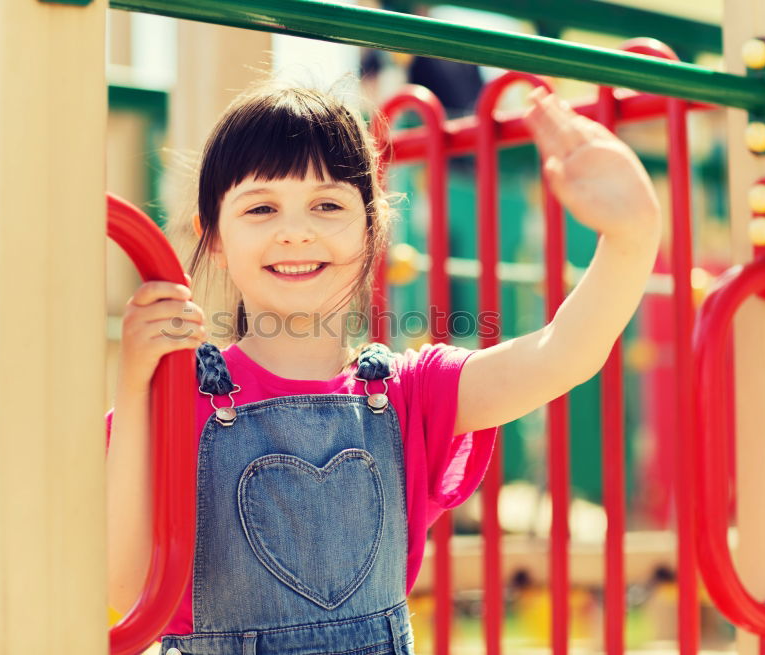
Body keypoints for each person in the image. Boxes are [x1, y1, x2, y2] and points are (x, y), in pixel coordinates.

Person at [105, 78, 662, 654]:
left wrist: (630, 234)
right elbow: (124, 583)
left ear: (372, 227)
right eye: (262, 207)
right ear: (213, 235)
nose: (296, 230)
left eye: (327, 205)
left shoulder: (409, 393)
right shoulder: (177, 396)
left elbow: (562, 355)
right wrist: (135, 380)